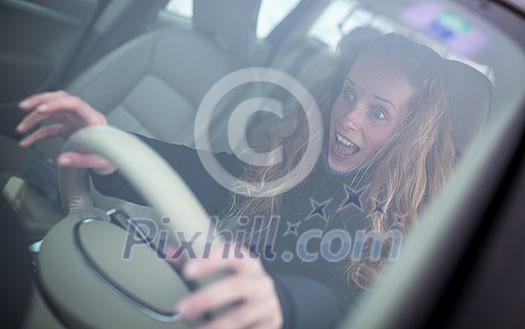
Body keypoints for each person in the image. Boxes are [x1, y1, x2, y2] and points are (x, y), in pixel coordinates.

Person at [16, 33, 456, 329]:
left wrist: (282, 302)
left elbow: (359, 301)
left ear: (409, 136)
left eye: (378, 112)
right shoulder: (296, 163)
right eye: (348, 93)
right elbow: (207, 174)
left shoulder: (409, 228)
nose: (348, 116)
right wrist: (112, 148)